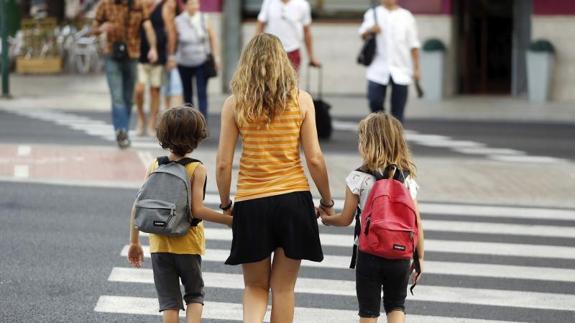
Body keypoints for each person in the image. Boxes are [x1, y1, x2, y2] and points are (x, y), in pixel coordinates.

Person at [216, 33, 334, 323]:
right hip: (294, 200)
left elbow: (222, 164)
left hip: (251, 201)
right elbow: (315, 159)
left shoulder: (235, 104)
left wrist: (225, 203)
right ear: (284, 63)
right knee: (283, 288)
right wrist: (327, 200)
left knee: (255, 286)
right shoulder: (302, 100)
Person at [128, 106, 233, 323]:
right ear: (197, 137)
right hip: (187, 244)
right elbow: (197, 210)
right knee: (194, 294)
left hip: (159, 245)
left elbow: (138, 206)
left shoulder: (155, 165)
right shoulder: (196, 169)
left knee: (169, 302)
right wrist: (229, 220)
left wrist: (135, 242)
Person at [319, 113, 425, 323]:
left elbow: (346, 219)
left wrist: (326, 219)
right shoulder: (407, 178)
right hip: (400, 254)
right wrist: (419, 258)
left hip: (369, 254)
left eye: (361, 139)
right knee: (396, 306)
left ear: (368, 144)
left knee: (368, 311)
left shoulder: (358, 177)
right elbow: (417, 223)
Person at [93, 0, 158, 148]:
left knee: (128, 98)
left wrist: (153, 48)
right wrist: (101, 28)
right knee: (117, 97)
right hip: (112, 55)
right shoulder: (105, 4)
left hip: (132, 55)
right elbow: (94, 28)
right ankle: (121, 131)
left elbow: (148, 27)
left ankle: (124, 131)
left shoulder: (138, 4)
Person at [359, 0, 421, 123]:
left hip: (401, 69)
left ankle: (395, 139)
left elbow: (413, 44)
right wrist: (371, 30)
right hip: (377, 68)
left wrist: (417, 68)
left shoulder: (406, 16)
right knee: (375, 103)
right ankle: (379, 134)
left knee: (398, 110)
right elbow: (362, 34)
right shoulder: (372, 13)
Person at [134, 0, 177, 137]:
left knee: (155, 91)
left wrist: (171, 55)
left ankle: (151, 123)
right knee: (139, 90)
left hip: (158, 57)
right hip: (139, 55)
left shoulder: (164, 7)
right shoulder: (138, 6)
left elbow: (170, 31)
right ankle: (141, 118)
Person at [175, 0, 220, 119]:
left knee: (201, 92)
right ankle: (190, 122)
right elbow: (173, 40)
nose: (195, 6)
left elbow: (213, 38)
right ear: (185, 5)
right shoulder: (178, 20)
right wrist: (172, 57)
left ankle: (202, 121)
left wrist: (216, 57)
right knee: (187, 93)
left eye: (197, 3)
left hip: (202, 60)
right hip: (184, 62)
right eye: (192, 3)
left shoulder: (204, 18)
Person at [255, 0, 320, 71]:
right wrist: (256, 51)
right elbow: (260, 26)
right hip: (271, 51)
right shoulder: (269, 2)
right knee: (271, 80)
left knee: (291, 80)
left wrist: (311, 57)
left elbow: (307, 32)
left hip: (292, 50)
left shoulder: (302, 4)